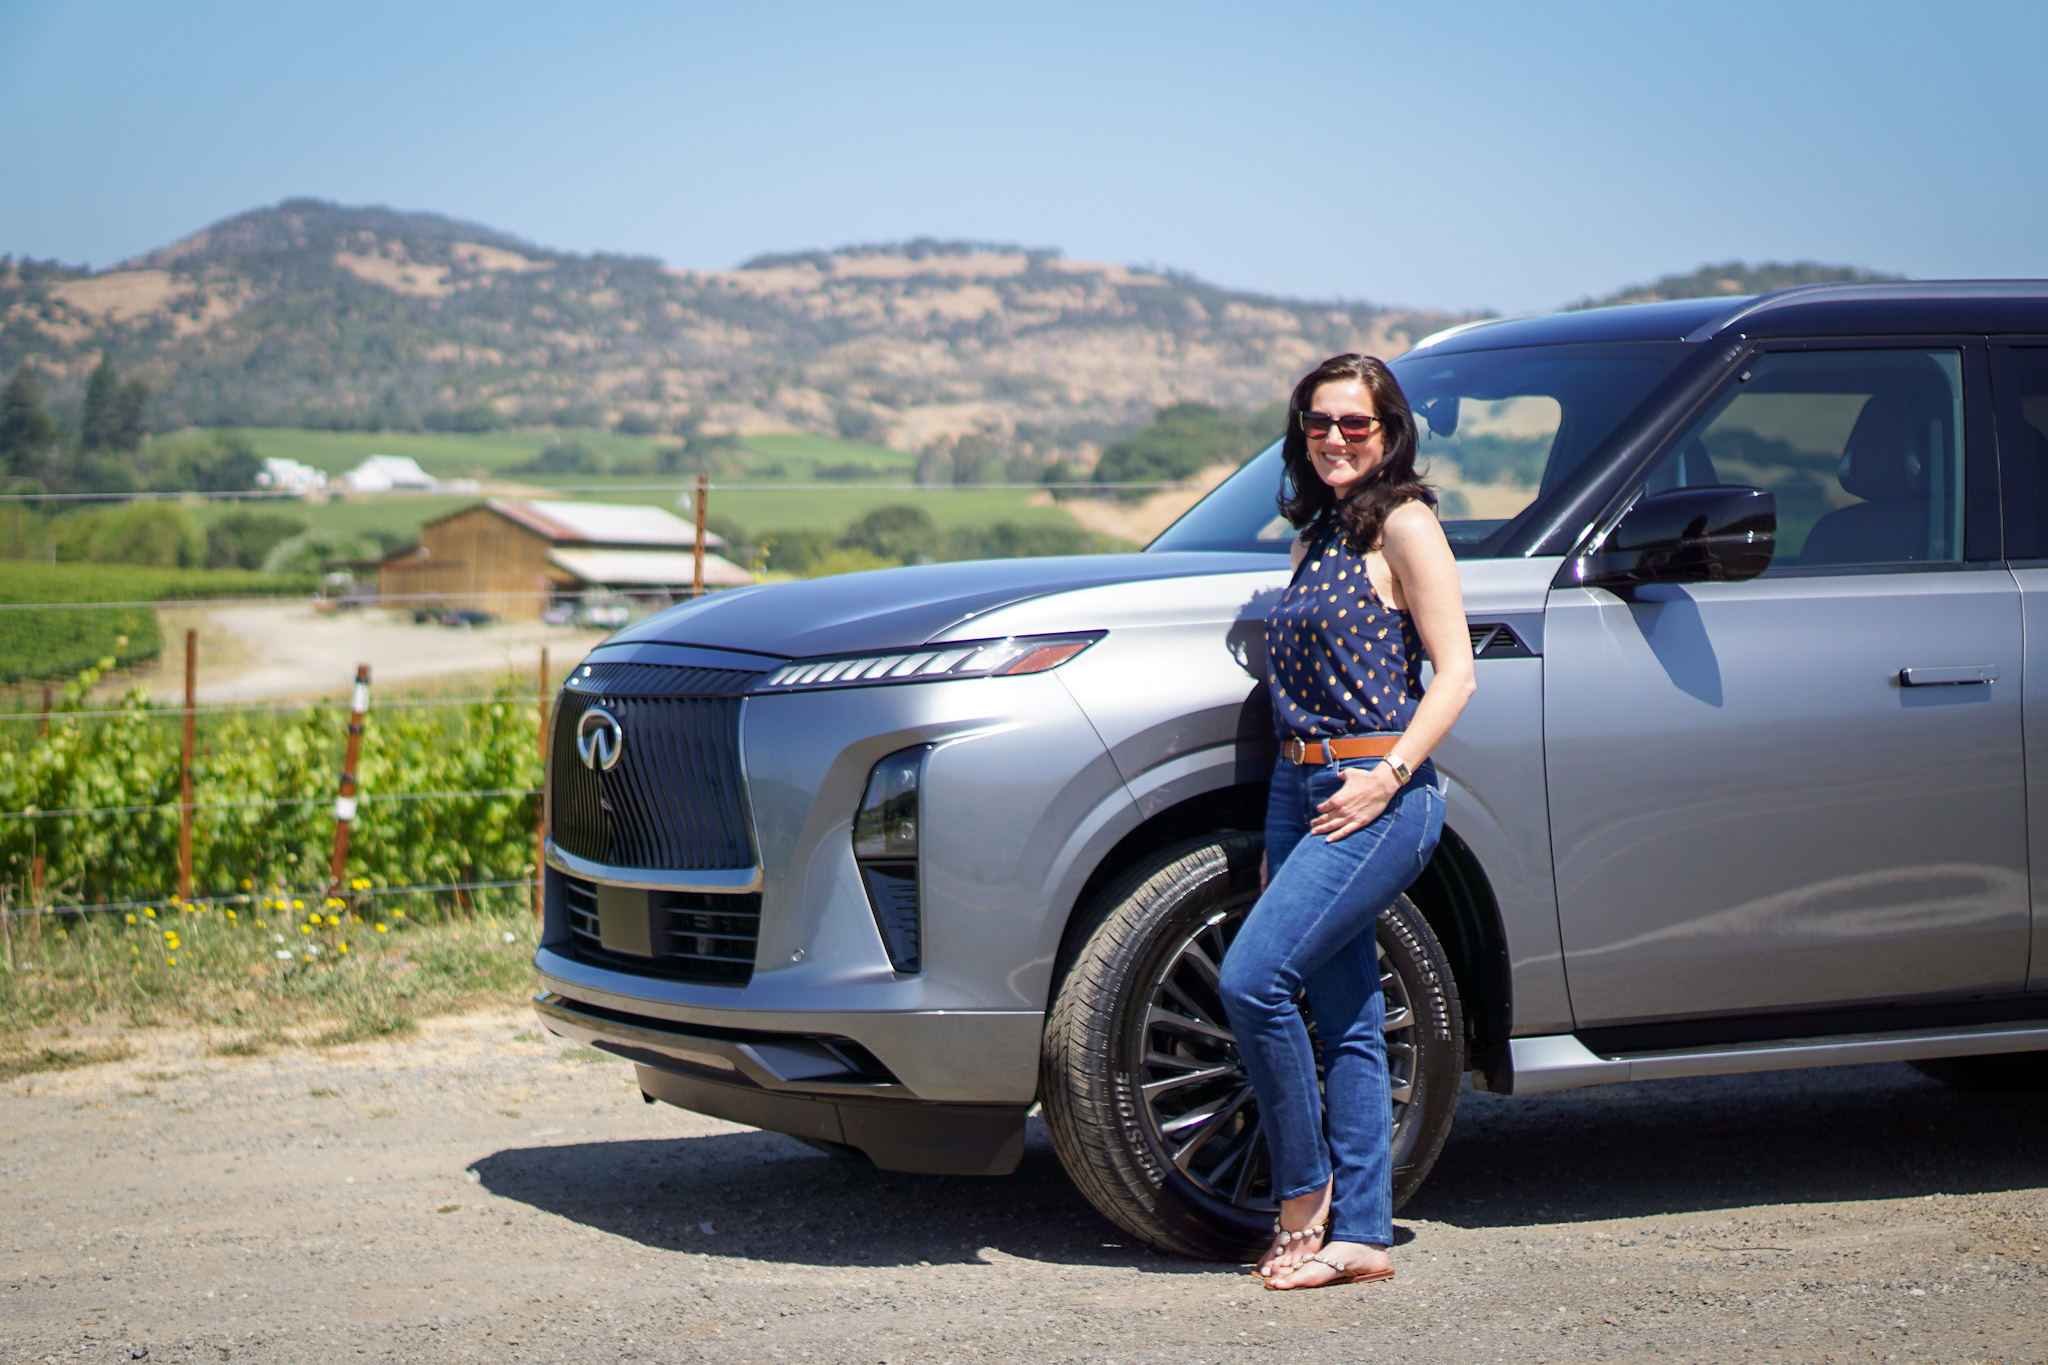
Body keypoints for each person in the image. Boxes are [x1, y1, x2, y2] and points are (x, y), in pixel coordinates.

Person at [1219, 352, 1474, 1290]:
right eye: (1317, 423)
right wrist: (1279, 826)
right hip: (1303, 791)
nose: (1333, 438)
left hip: (1381, 790)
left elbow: (1456, 674)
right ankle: (1364, 1232)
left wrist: (1389, 776)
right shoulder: (1316, 533)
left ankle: (1304, 1197)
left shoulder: (1407, 525)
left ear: (1389, 432)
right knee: (1349, 1012)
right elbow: (1294, 701)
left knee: (1252, 980)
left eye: (1353, 425)